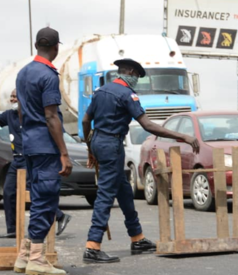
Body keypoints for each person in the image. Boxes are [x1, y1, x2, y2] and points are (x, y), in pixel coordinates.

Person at [82, 58, 199, 263]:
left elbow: (85, 120)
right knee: (106, 195)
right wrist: (183, 137)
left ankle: (137, 238)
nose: (137, 80)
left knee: (124, 191)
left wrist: (90, 148)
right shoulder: (128, 94)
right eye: (137, 76)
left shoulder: (100, 92)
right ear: (131, 73)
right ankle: (92, 246)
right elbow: (147, 125)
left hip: (99, 141)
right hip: (112, 145)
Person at [14, 27, 71, 275]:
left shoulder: (23, 72)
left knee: (39, 200)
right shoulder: (48, 75)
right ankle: (36, 258)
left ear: (37, 45)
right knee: (46, 202)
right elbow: (51, 116)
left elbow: (20, 112)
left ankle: (25, 256)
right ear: (56, 47)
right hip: (46, 147)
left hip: (29, 145)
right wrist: (64, 153)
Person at [0, 89, 72, 239]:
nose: (13, 100)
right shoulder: (9, 115)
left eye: (16, 97)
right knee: (9, 193)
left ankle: (59, 215)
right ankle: (12, 230)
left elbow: (54, 128)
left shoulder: (34, 115)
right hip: (16, 161)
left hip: (30, 160)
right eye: (11, 97)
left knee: (34, 193)